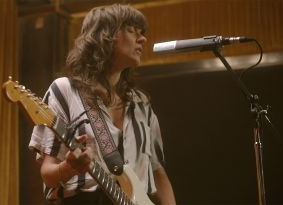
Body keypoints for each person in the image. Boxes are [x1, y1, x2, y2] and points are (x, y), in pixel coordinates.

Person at [29, 3, 176, 205]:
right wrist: (69, 168)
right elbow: (47, 173)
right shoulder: (65, 91)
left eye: (142, 33)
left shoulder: (141, 103)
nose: (142, 39)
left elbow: (157, 171)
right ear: (103, 37)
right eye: (132, 30)